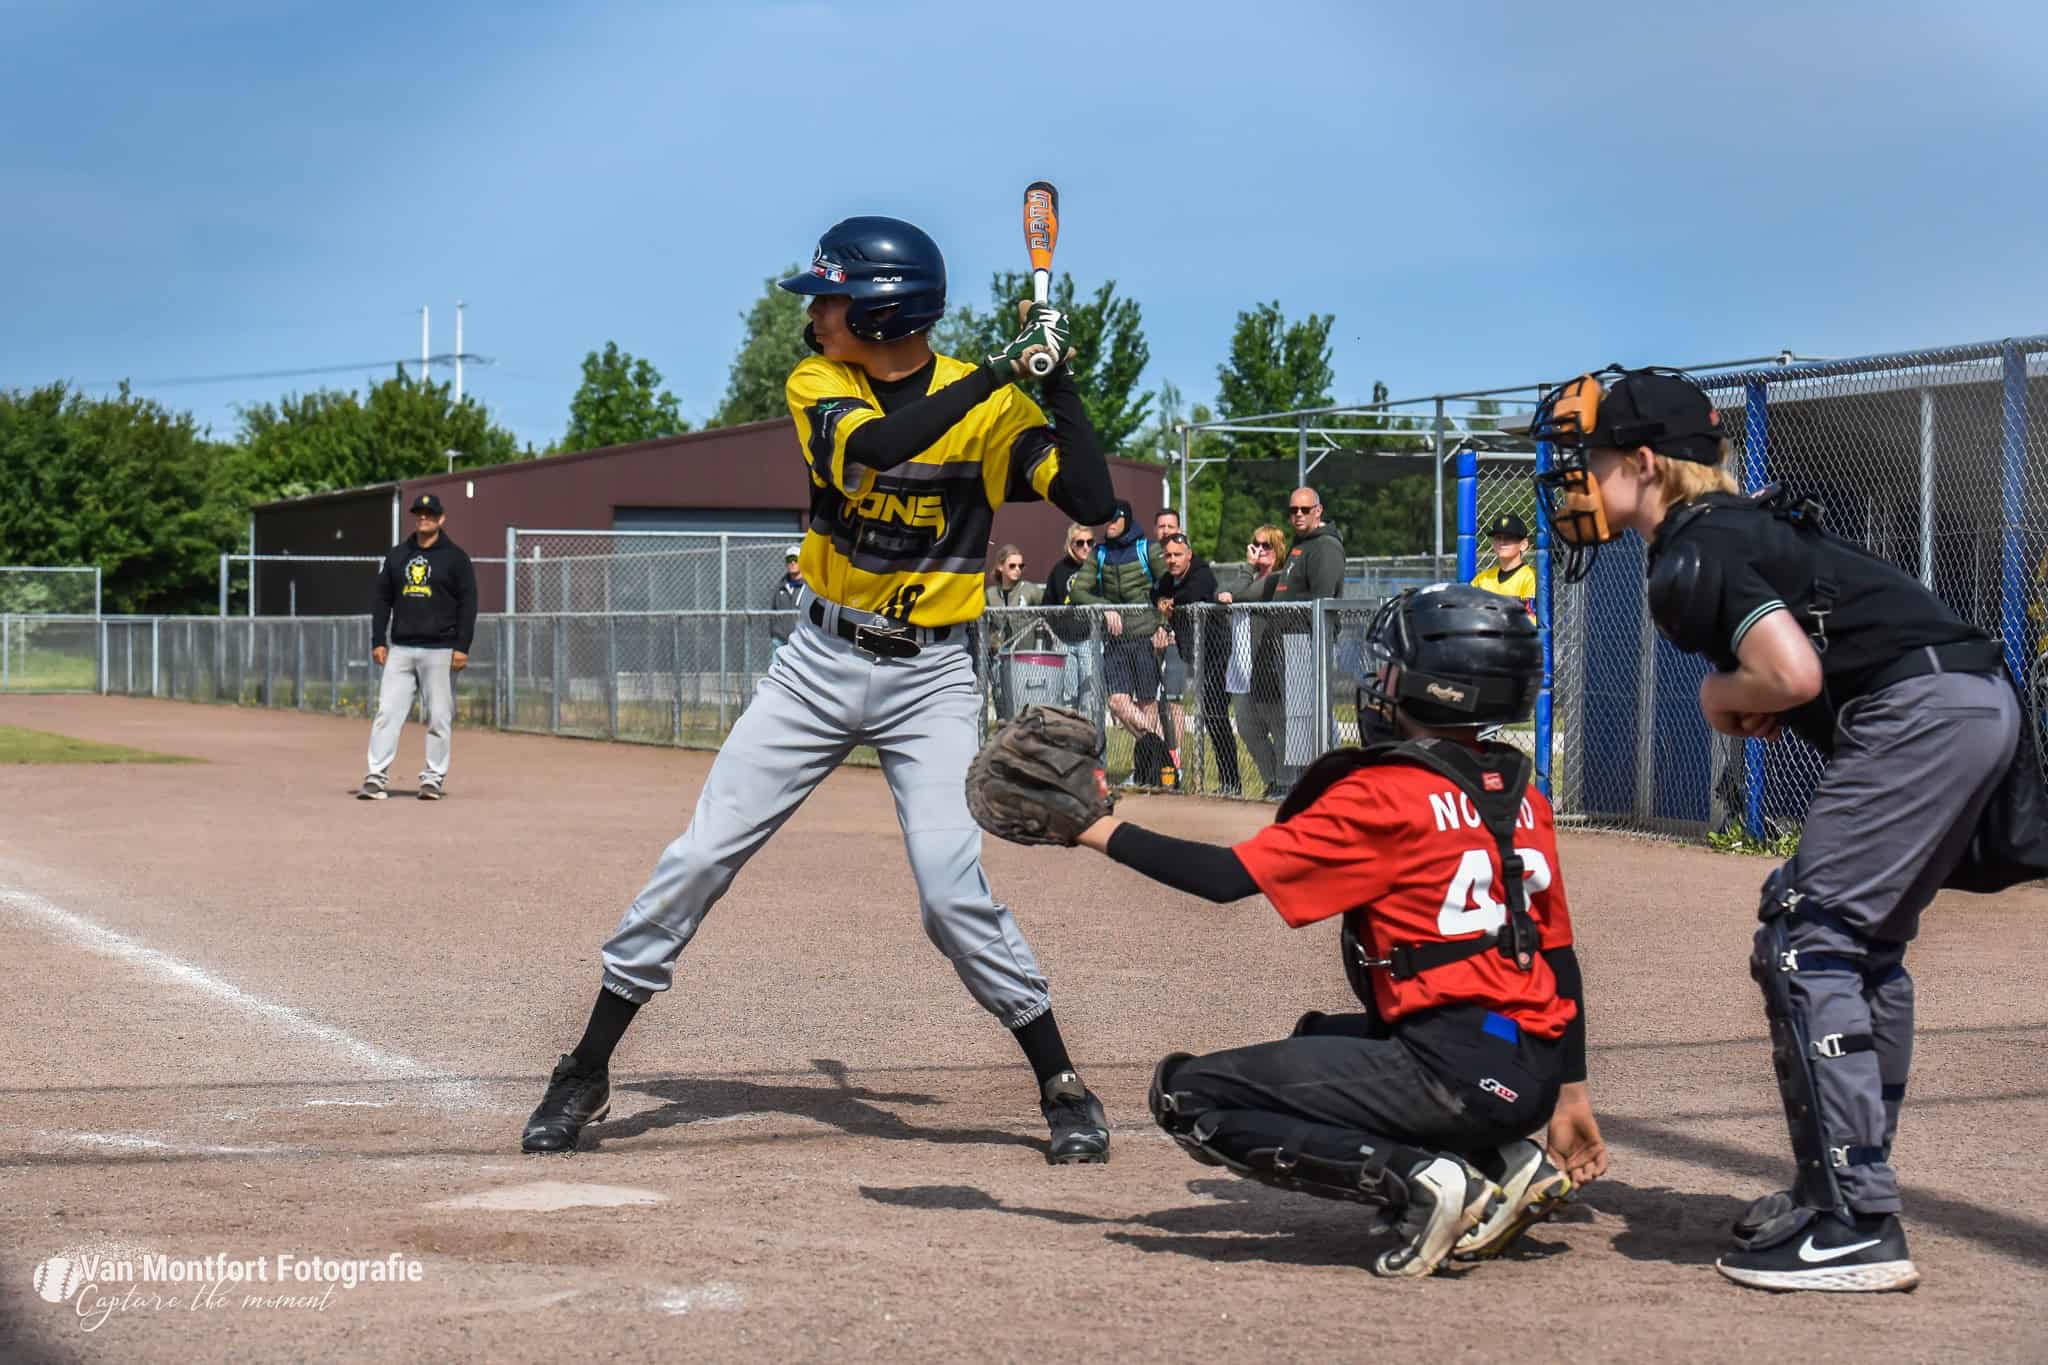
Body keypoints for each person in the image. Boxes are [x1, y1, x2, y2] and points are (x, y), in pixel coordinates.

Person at [520, 214, 1118, 1164]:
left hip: (932, 676)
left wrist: (1059, 382)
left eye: (832, 300)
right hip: (817, 664)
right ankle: (584, 1067)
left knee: (951, 894)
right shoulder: (821, 383)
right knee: (702, 853)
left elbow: (1092, 501)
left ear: (884, 313)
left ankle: (1060, 1081)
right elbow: (878, 448)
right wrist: (1001, 373)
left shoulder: (994, 407)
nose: (816, 314)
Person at [1532, 365, 2022, 1292]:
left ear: (1645, 463)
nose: (1578, 482)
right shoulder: (1736, 523)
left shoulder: (1692, 550)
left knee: (1807, 939)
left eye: (1591, 461)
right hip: (1966, 699)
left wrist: (1720, 696)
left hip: (1921, 713)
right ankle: (1837, 1188)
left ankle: (1855, 1222)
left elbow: (1790, 675)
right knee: (1858, 947)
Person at [1062, 584, 1605, 1276]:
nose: (1376, 684)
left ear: (1435, 687)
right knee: (1314, 1038)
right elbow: (1557, 955)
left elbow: (1227, 877)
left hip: (1455, 1072)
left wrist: (1092, 828)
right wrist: (1571, 1094)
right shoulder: (1523, 794)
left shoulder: (1387, 792)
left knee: (1187, 1093)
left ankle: (1425, 1181)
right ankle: (1505, 1161)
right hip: (1530, 1062)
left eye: (1389, 670)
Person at [358, 494, 476, 802]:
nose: (424, 517)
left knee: (439, 717)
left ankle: (433, 778)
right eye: (419, 513)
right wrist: (378, 640)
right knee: (387, 713)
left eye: (430, 513)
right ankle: (375, 777)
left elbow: (468, 604)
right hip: (401, 648)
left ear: (441, 518)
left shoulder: (456, 558)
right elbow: (382, 599)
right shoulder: (399, 555)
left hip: (441, 649)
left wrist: (462, 646)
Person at [1246, 487, 1345, 797]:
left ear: (1318, 510)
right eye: (1293, 510)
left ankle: (1335, 782)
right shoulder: (1302, 544)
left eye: (1305, 509)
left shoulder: (1325, 546)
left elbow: (1322, 599)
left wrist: (1309, 639)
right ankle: (1304, 786)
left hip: (1308, 640)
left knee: (1313, 717)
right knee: (1299, 718)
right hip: (1290, 642)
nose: (1298, 515)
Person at [1067, 501, 1174, 785]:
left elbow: (1167, 588)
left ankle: (1152, 772)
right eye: (1106, 520)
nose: (1109, 524)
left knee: (1148, 705)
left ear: (1126, 519)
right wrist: (1105, 607)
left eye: (1114, 519)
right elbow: (1078, 591)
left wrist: (1163, 626)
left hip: (1146, 637)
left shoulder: (1147, 549)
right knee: (1117, 703)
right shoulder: (1099, 553)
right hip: (1115, 640)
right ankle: (1164, 755)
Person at [1155, 533, 1241, 796]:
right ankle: (1225, 783)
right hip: (1197, 656)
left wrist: (1172, 601)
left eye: (1178, 555)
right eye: (1168, 555)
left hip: (1218, 654)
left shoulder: (1201, 572)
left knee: (1215, 715)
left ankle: (1232, 783)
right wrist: (1160, 600)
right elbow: (1154, 590)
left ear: (1189, 555)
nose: (1172, 560)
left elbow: (1196, 592)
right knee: (1209, 716)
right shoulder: (1169, 579)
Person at [1219, 525, 1288, 797]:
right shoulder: (1250, 576)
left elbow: (1240, 595)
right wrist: (1246, 572)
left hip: (1267, 663)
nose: (1260, 550)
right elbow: (1224, 593)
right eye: (1255, 544)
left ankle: (1285, 783)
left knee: (1278, 726)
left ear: (1278, 549)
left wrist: (1246, 570)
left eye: (1266, 545)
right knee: (1248, 729)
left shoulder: (1278, 578)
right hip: (1242, 666)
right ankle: (1272, 779)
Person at [1043, 523, 1106, 749]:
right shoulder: (1059, 570)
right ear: (1071, 545)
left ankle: (1093, 753)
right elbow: (1046, 606)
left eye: (1090, 542)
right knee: (1068, 699)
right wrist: (1055, 635)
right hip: (1064, 642)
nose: (1086, 547)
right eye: (1080, 543)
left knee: (1090, 699)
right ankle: (1071, 751)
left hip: (1090, 639)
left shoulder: (1099, 569)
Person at [984, 544, 1045, 720]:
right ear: (1000, 567)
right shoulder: (990, 594)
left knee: (1026, 704)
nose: (1017, 569)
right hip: (999, 658)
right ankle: (1004, 733)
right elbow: (985, 626)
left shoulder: (1031, 591)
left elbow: (1048, 615)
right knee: (1001, 700)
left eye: (1020, 566)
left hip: (1026, 657)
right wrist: (992, 642)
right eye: (1012, 565)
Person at [1152, 509, 1190, 765]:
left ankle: (1176, 764)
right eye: (1161, 526)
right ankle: (1154, 760)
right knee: (1151, 702)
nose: (1166, 530)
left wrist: (1169, 629)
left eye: (1171, 526)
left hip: (1177, 639)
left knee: (1174, 700)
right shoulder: (1150, 557)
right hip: (1150, 637)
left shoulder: (1184, 558)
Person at [1472, 512, 1537, 612]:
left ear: (1523, 544)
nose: (1502, 542)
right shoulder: (1482, 579)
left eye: (1509, 537)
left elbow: (1529, 618)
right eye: (1498, 538)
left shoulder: (1530, 577)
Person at [768, 544, 804, 659]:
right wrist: (775, 633)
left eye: (796, 559)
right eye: (789, 559)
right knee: (777, 669)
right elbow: (773, 612)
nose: (792, 563)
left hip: (801, 641)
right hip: (780, 640)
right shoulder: (780, 587)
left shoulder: (808, 587)